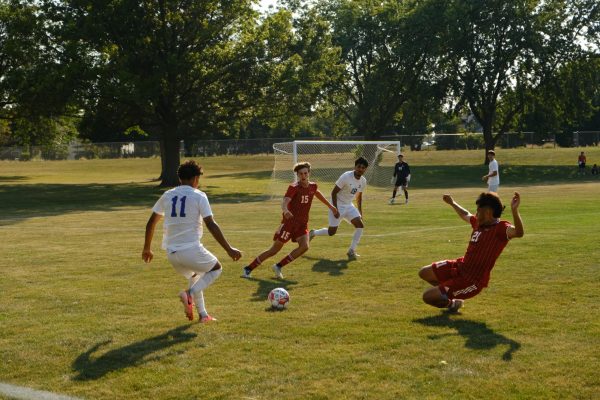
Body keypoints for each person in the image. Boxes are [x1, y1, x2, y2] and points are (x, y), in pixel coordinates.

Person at [142, 160, 242, 323]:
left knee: (196, 276)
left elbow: (151, 223)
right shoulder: (199, 195)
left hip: (172, 254)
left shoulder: (168, 195)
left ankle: (203, 315)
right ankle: (189, 295)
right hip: (190, 249)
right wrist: (228, 249)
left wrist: (147, 249)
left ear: (180, 178)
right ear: (195, 178)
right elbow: (210, 223)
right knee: (216, 269)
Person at [418, 192, 524, 313]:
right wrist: (452, 203)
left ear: (488, 213)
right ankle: (449, 291)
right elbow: (465, 215)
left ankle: (452, 303)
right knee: (424, 273)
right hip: (460, 266)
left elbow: (518, 233)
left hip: (471, 280)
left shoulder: (501, 228)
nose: (476, 214)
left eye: (478, 211)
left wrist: (515, 211)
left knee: (428, 296)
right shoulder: (480, 222)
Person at [241, 162, 339, 279]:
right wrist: (286, 210)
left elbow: (316, 193)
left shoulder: (313, 186)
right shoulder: (294, 187)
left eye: (305, 173)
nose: (303, 176)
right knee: (274, 250)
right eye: (301, 174)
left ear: (309, 173)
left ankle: (278, 266)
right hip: (289, 224)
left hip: (302, 224)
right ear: (297, 175)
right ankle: (248, 268)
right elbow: (285, 201)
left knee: (304, 247)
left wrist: (331, 207)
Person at [310, 157, 369, 259]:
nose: (360, 169)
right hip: (337, 204)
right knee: (331, 232)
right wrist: (335, 209)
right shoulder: (346, 176)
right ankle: (313, 233)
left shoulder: (363, 181)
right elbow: (333, 192)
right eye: (359, 167)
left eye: (363, 168)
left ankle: (351, 251)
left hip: (349, 205)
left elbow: (359, 196)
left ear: (365, 169)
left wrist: (360, 212)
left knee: (360, 226)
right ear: (355, 167)